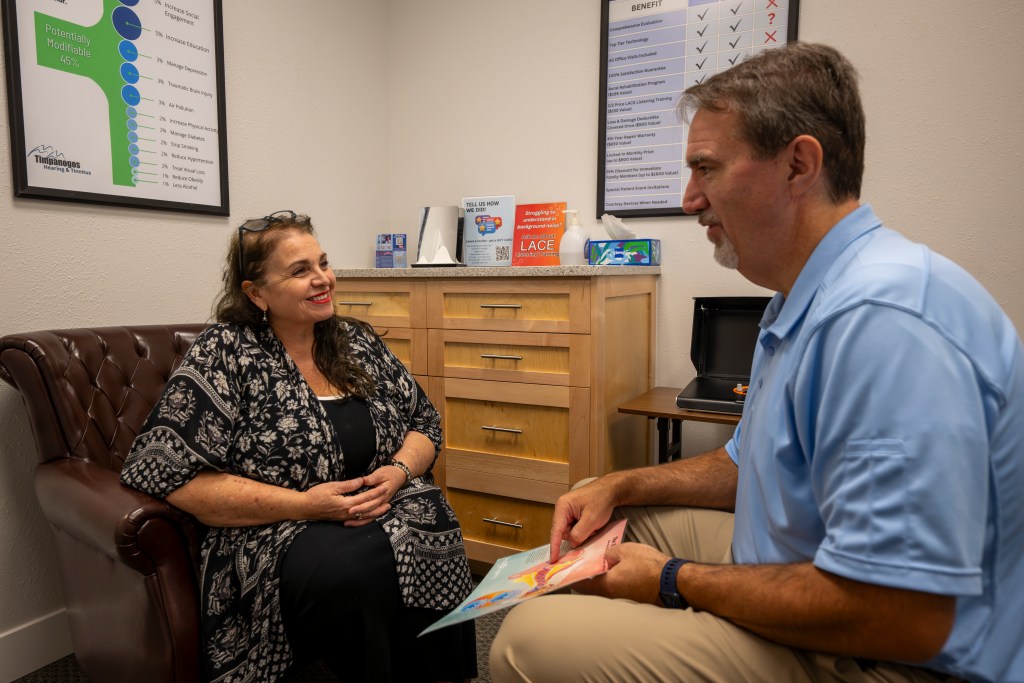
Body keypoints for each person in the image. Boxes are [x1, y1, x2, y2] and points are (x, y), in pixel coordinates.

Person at [489, 43, 1024, 683]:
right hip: (814, 567)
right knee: (591, 525)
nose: (690, 199)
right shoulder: (802, 296)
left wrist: (671, 582)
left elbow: (902, 615)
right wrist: (620, 483)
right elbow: (749, 461)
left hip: (891, 655)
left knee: (524, 641)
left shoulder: (883, 324)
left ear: (799, 164)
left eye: (706, 169)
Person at [121, 211, 477, 683]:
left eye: (323, 264)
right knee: (356, 569)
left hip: (385, 502)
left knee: (433, 524)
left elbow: (424, 423)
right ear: (255, 293)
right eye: (299, 271)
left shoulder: (355, 341)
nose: (322, 280)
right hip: (276, 529)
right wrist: (307, 506)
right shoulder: (225, 353)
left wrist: (398, 472)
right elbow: (166, 472)